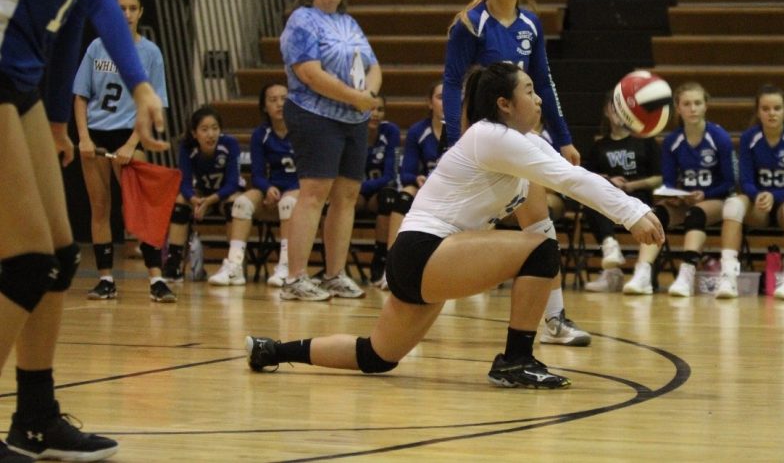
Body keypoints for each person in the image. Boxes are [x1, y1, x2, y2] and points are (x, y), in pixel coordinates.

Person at [246, 62, 664, 388]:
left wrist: (555, 311)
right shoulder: (491, 137)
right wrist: (631, 213)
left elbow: (544, 217)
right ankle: (516, 361)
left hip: (422, 258)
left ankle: (271, 350)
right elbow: (569, 181)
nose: (539, 101)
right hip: (426, 252)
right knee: (538, 252)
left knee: (377, 356)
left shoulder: (524, 145)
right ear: (504, 103)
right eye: (530, 92)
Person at [0, 0, 167, 460]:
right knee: (25, 259)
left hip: (18, 82)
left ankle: (36, 418)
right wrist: (142, 86)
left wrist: (50, 116)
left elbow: (69, 14)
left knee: (57, 256)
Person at [443, 0, 588, 346]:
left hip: (521, 136)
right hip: (479, 139)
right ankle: (416, 288)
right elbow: (453, 83)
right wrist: (455, 140)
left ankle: (555, 318)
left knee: (538, 222)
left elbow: (544, 82)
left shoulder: (531, 25)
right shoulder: (469, 24)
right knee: (454, 224)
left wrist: (563, 137)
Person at [278, 0, 381, 302]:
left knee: (347, 196)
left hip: (353, 119)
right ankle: (295, 278)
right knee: (314, 192)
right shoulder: (302, 21)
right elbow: (308, 72)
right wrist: (355, 96)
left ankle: (334, 274)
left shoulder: (348, 22)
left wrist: (369, 95)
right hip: (314, 114)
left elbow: (373, 64)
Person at [73, 0, 169, 300]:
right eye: (121, 9)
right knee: (100, 208)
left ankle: (156, 279)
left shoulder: (151, 53)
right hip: (97, 135)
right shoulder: (96, 48)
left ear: (140, 13)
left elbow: (155, 104)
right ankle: (105, 279)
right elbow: (81, 96)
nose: (126, 14)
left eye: (132, 9)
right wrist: (84, 138)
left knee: (138, 207)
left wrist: (131, 144)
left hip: (129, 134)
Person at [623, 81, 735, 296]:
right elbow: (669, 182)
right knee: (656, 215)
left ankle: (686, 273)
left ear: (705, 106)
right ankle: (643, 272)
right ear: (678, 108)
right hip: (687, 199)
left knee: (696, 214)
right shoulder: (672, 141)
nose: (692, 108)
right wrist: (674, 196)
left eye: (697, 103)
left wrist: (705, 194)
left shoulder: (719, 138)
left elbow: (730, 182)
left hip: (717, 199)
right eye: (687, 104)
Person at [714, 86, 784, 300]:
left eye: (777, 108)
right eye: (765, 108)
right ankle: (728, 277)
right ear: (758, 112)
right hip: (758, 205)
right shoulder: (750, 137)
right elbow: (745, 179)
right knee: (733, 204)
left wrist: (774, 196)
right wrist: (757, 195)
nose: (771, 113)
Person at [208, 83, 300, 288]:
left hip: (298, 191)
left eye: (284, 99)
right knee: (241, 203)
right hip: (272, 191)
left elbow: (310, 173)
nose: (279, 104)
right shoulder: (261, 134)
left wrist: (288, 191)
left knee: (288, 203)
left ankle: (286, 266)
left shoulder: (302, 131)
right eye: (273, 99)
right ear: (264, 106)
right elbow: (257, 174)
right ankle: (234, 266)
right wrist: (267, 188)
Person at [582, 94, 662, 292]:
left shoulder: (645, 141)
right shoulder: (600, 145)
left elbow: (659, 177)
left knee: (652, 214)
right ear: (606, 111)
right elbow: (586, 175)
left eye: (623, 107)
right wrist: (609, 181)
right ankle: (611, 255)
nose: (618, 111)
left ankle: (642, 273)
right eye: (614, 106)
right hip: (610, 199)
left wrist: (632, 186)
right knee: (591, 205)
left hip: (639, 197)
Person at [161, 107, 242, 291]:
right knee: (181, 200)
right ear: (194, 133)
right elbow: (184, 181)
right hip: (201, 194)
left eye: (214, 128)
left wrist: (209, 200)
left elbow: (232, 183)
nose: (210, 134)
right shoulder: (187, 147)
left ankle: (233, 263)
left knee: (234, 203)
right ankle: (173, 264)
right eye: (204, 129)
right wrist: (194, 199)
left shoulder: (230, 144)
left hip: (223, 194)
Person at [384, 81, 445, 273]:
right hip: (426, 188)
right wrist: (418, 179)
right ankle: (391, 267)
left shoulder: (462, 129)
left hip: (454, 190)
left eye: (449, 98)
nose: (445, 103)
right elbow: (406, 172)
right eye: (440, 98)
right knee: (403, 195)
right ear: (429, 103)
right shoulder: (418, 131)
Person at [349, 93, 400, 287]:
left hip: (376, 191)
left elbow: (390, 175)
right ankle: (335, 264)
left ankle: (381, 257)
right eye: (371, 109)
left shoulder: (390, 132)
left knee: (388, 198)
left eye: (380, 109)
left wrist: (361, 187)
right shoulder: (352, 131)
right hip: (355, 194)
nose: (375, 114)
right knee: (338, 202)